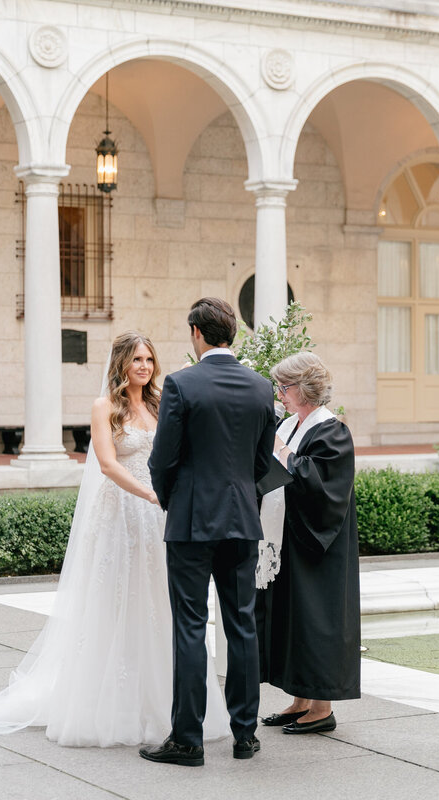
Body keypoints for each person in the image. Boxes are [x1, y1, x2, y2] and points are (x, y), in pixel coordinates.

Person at [0, 331, 229, 747]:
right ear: (122, 363)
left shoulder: (163, 404)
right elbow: (107, 463)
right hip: (122, 511)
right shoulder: (104, 406)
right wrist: (147, 492)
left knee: (159, 604)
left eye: (149, 360)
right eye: (137, 359)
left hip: (160, 517)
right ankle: (107, 706)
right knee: (116, 602)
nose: (144, 366)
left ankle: (164, 705)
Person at [142, 298, 277, 767]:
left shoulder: (182, 383)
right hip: (242, 521)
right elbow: (263, 463)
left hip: (192, 522)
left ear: (198, 333)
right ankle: (246, 735)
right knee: (241, 624)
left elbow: (162, 459)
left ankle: (188, 740)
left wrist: (171, 500)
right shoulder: (262, 387)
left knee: (190, 626)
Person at [259, 352, 360, 734]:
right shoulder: (289, 424)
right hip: (287, 537)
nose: (280, 394)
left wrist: (281, 452)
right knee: (292, 620)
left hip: (320, 542)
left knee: (317, 620)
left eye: (284, 387)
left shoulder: (331, 430)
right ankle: (300, 699)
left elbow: (319, 484)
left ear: (304, 388)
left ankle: (322, 707)